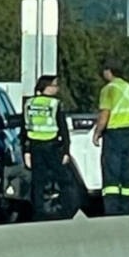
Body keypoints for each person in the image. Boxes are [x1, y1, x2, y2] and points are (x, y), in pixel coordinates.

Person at [92, 58, 129, 216]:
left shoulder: (109, 89)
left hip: (114, 134)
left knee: (112, 171)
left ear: (108, 71)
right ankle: (127, 206)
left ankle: (112, 208)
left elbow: (105, 113)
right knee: (128, 170)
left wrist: (97, 133)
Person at [22, 74, 74, 220]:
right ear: (46, 87)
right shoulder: (55, 104)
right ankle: (66, 209)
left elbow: (24, 128)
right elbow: (63, 128)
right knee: (64, 179)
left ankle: (38, 212)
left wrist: (25, 151)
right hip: (52, 146)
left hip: (34, 146)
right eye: (55, 85)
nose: (57, 88)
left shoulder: (29, 103)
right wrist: (66, 150)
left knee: (38, 180)